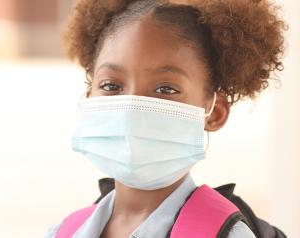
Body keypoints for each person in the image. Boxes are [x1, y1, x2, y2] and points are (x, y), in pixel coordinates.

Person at [45, 0, 286, 237]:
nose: (132, 108)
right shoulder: (63, 231)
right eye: (110, 85)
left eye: (165, 89)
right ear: (88, 98)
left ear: (214, 112)